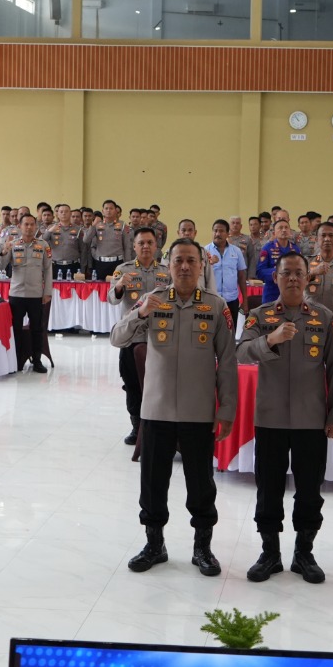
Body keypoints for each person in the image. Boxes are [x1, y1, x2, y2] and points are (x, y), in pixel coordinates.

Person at [113, 239, 238, 577]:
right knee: (153, 482)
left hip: (199, 411)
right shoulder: (152, 301)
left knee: (201, 484)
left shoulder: (216, 306)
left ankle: (203, 548)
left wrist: (227, 409)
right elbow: (117, 338)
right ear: (168, 266)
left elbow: (227, 361)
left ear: (201, 266)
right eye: (178, 260)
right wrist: (140, 313)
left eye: (191, 261)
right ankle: (154, 544)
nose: (184, 266)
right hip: (157, 410)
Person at [238, 253, 333, 584]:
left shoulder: (324, 317)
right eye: (287, 273)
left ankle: (304, 553)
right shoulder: (260, 315)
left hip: (310, 419)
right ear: (276, 278)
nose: (293, 279)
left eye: (300, 273)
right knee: (268, 489)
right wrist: (270, 340)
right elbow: (241, 352)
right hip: (270, 418)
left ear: (308, 278)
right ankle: (270, 553)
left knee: (310, 490)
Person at [112, 228, 172, 444]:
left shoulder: (167, 271)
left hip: (160, 338)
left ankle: (159, 427)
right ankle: (137, 428)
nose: (146, 246)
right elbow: (112, 299)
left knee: (160, 385)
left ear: (156, 246)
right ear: (134, 246)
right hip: (132, 337)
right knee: (132, 385)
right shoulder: (123, 269)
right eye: (141, 243)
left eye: (149, 243)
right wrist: (120, 286)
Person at [5, 213, 52, 374]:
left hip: (36, 294)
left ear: (36, 226)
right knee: (16, 329)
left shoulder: (43, 245)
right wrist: (4, 251)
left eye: (32, 224)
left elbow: (48, 269)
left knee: (37, 329)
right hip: (16, 294)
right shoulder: (12, 244)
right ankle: (17, 361)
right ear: (20, 226)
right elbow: (0, 265)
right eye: (26, 224)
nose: (29, 227)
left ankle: (37, 361)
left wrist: (47, 292)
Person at [205, 219, 248, 329]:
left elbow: (241, 276)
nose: (217, 234)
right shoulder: (205, 251)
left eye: (221, 231)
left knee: (230, 331)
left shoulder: (236, 251)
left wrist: (245, 301)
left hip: (232, 300)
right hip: (211, 300)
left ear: (228, 233)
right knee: (211, 331)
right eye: (215, 231)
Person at [255, 219, 301, 305]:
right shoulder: (267, 248)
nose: (284, 230)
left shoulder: (295, 249)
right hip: (272, 293)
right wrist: (279, 272)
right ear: (274, 233)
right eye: (280, 228)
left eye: (286, 227)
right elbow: (260, 272)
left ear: (290, 231)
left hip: (291, 292)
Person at [87, 200, 130, 280]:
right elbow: (86, 240)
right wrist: (93, 225)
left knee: (117, 286)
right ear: (103, 211)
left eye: (111, 208)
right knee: (100, 286)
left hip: (117, 263)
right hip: (101, 263)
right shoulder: (97, 225)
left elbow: (127, 246)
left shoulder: (123, 225)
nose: (108, 210)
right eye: (106, 208)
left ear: (115, 211)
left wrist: (127, 264)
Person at [46, 209, 84, 281]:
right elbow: (43, 240)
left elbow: (83, 249)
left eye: (66, 211)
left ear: (70, 214)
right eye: (61, 212)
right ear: (57, 214)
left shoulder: (78, 229)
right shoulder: (51, 227)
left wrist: (83, 267)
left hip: (73, 265)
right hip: (55, 265)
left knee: (73, 287)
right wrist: (49, 231)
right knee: (55, 287)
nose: (64, 213)